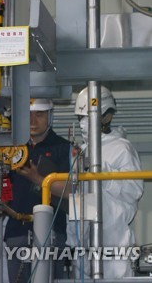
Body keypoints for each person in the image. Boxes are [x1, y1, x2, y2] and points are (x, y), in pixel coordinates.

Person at [67, 86, 143, 278]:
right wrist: (73, 240)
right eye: (80, 118)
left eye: (88, 117)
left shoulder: (121, 149)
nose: (83, 124)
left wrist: (102, 172)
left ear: (107, 117)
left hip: (114, 245)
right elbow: (77, 199)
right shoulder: (78, 153)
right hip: (84, 247)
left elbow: (133, 191)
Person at [4, 99, 71, 283]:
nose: (33, 121)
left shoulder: (63, 148)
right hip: (16, 231)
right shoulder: (10, 146)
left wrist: (38, 179)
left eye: (39, 115)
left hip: (52, 232)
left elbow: (69, 191)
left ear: (50, 116)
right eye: (28, 115)